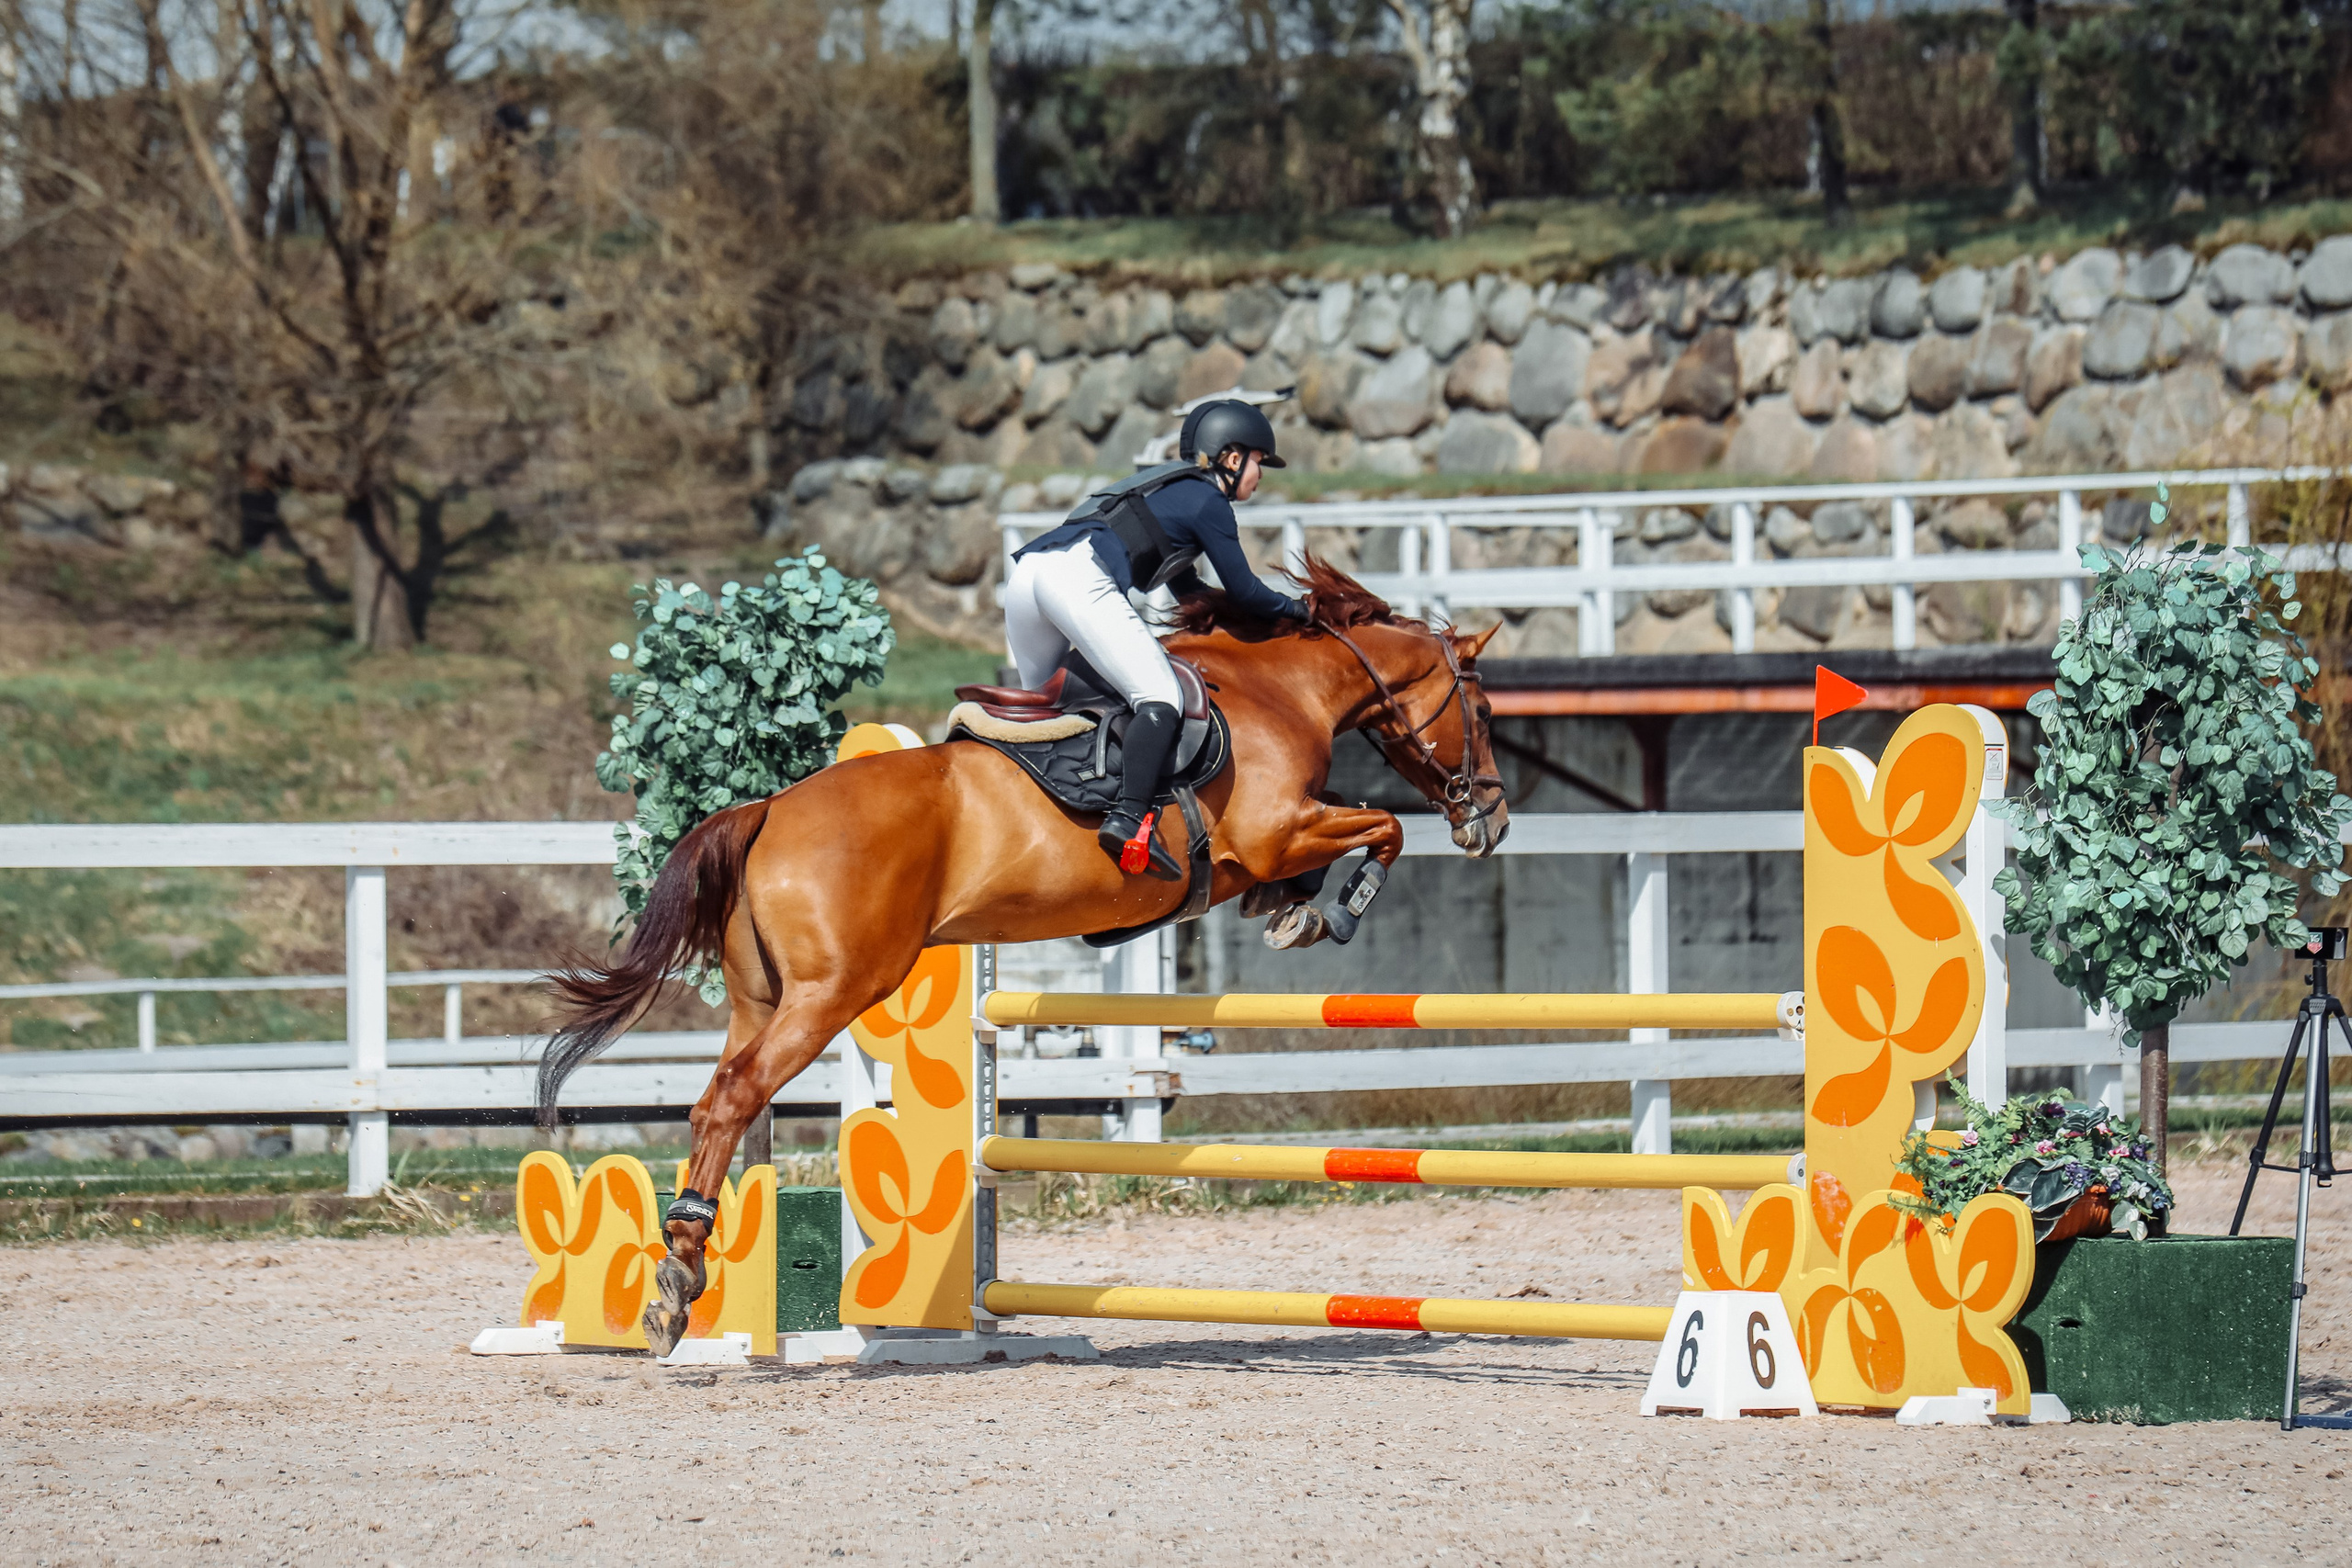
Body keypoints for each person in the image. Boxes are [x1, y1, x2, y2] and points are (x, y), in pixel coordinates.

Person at [1003, 399, 1310, 877]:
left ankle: (1036, 813)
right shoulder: (1209, 500)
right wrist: (1302, 611)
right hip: (1076, 578)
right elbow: (1245, 589)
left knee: (1043, 711)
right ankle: (1128, 818)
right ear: (1231, 459)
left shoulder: (1171, 492)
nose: (1260, 474)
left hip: (1029, 577)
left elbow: (1189, 591)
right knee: (1160, 695)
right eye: (1257, 462)